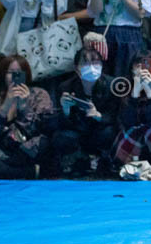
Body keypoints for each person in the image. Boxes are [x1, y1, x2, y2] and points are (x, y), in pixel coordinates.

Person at [51, 46, 119, 176]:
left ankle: (102, 160)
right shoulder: (65, 87)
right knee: (59, 137)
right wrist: (65, 109)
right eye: (86, 63)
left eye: (95, 62)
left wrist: (98, 115)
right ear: (77, 68)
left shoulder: (112, 85)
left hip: (100, 130)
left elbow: (115, 116)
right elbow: (60, 123)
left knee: (110, 132)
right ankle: (78, 159)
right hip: (78, 131)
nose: (92, 67)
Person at [0, 56, 56, 178]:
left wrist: (24, 107)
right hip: (4, 151)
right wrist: (6, 106)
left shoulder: (39, 94)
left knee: (43, 142)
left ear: (26, 75)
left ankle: (8, 172)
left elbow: (41, 128)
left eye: (19, 73)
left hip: (30, 150)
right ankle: (28, 172)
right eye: (10, 73)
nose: (14, 77)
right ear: (3, 75)